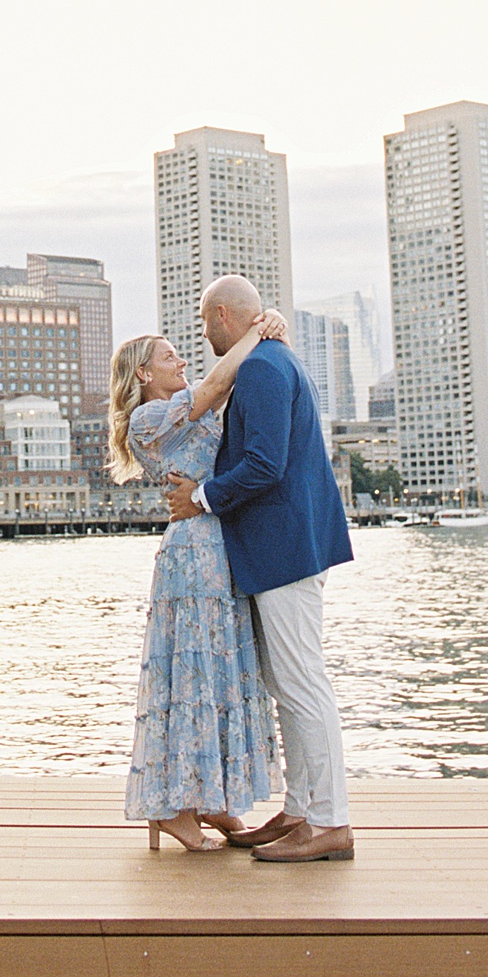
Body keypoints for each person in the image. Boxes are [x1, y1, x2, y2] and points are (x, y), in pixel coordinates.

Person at [167, 274, 355, 863]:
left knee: (301, 684)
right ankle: (302, 810)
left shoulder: (262, 370)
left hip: (285, 549)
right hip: (286, 547)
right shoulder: (274, 359)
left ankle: (329, 821)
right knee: (289, 684)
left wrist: (200, 497)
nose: (202, 333)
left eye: (204, 321)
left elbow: (264, 464)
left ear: (224, 315)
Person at [110, 313, 286, 851]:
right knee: (190, 677)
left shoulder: (184, 412)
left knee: (219, 671)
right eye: (169, 357)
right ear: (142, 374)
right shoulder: (148, 419)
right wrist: (258, 331)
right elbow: (215, 384)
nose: (182, 361)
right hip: (192, 554)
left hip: (218, 546)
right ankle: (175, 808)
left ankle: (213, 798)